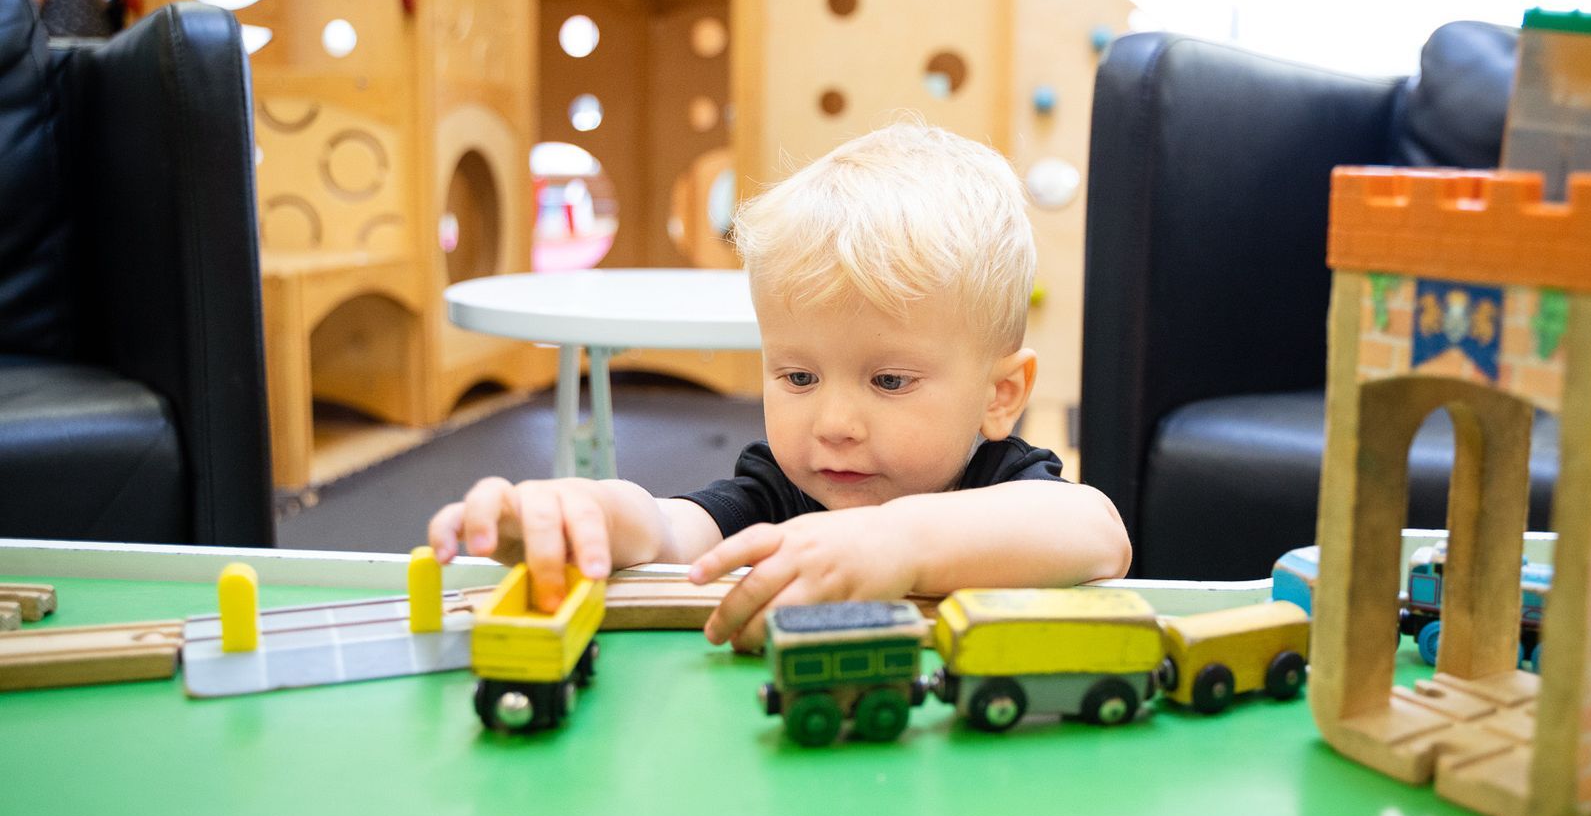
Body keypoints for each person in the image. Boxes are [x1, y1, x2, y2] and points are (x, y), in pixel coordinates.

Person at [428, 122, 1133, 650]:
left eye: (889, 379)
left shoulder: (1001, 479)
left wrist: (898, 541)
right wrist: (590, 515)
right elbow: (674, 533)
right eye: (798, 375)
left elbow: (1098, 531)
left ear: (999, 396)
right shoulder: (784, 489)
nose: (834, 422)